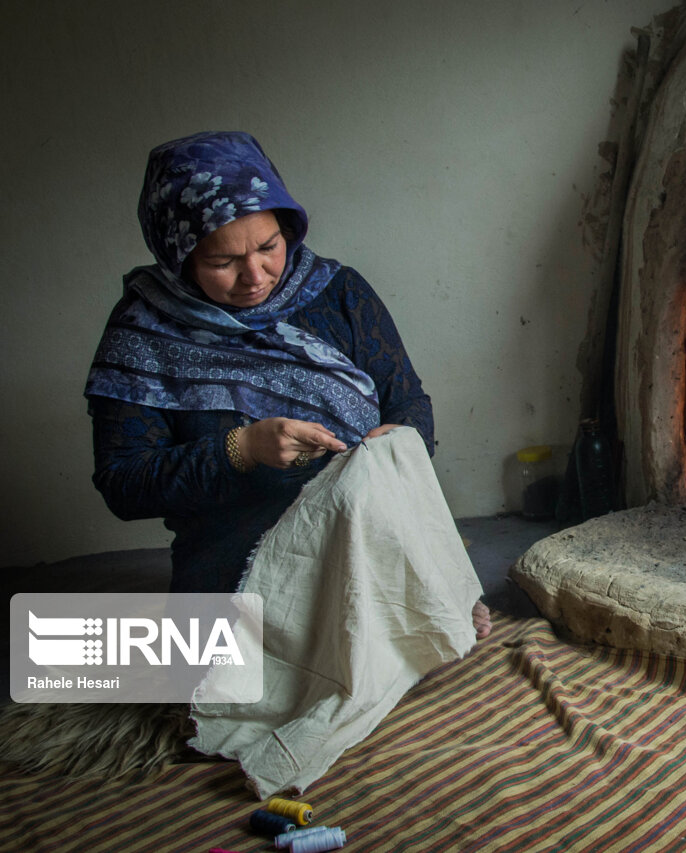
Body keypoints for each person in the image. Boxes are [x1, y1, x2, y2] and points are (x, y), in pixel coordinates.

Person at [85, 131, 490, 637]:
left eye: (268, 247)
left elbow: (406, 399)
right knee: (241, 691)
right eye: (222, 262)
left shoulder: (338, 293)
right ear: (179, 256)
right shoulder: (143, 332)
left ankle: (418, 592)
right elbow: (124, 484)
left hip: (370, 537)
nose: (254, 275)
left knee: (424, 645)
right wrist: (242, 449)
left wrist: (400, 440)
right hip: (237, 560)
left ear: (288, 229)